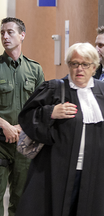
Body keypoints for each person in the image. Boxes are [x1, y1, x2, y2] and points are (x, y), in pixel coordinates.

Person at [16, 42, 104, 216]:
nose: (79, 69)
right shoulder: (54, 88)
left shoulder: (102, 92)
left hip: (93, 170)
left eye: (85, 64)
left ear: (94, 67)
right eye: (74, 63)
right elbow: (26, 117)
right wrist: (50, 112)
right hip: (56, 170)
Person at [0, 17, 44, 216]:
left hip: (25, 142)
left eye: (10, 32)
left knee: (22, 198)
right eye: (2, 32)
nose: (5, 36)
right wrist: (5, 126)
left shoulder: (34, 70)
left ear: (22, 35)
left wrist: (20, 127)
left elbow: (41, 106)